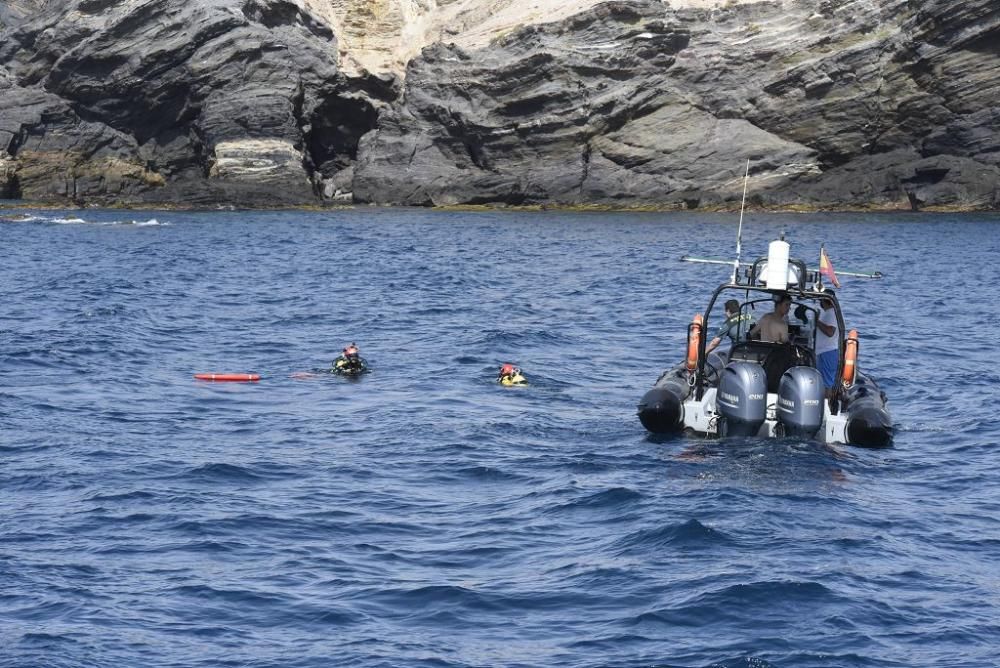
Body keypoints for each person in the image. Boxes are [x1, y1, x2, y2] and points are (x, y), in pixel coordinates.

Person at [814, 289, 839, 396]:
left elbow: (830, 332)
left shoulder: (832, 314)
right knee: (823, 381)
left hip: (827, 352)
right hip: (824, 352)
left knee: (827, 383)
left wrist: (817, 321)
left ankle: (827, 407)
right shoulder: (829, 313)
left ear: (824, 300)